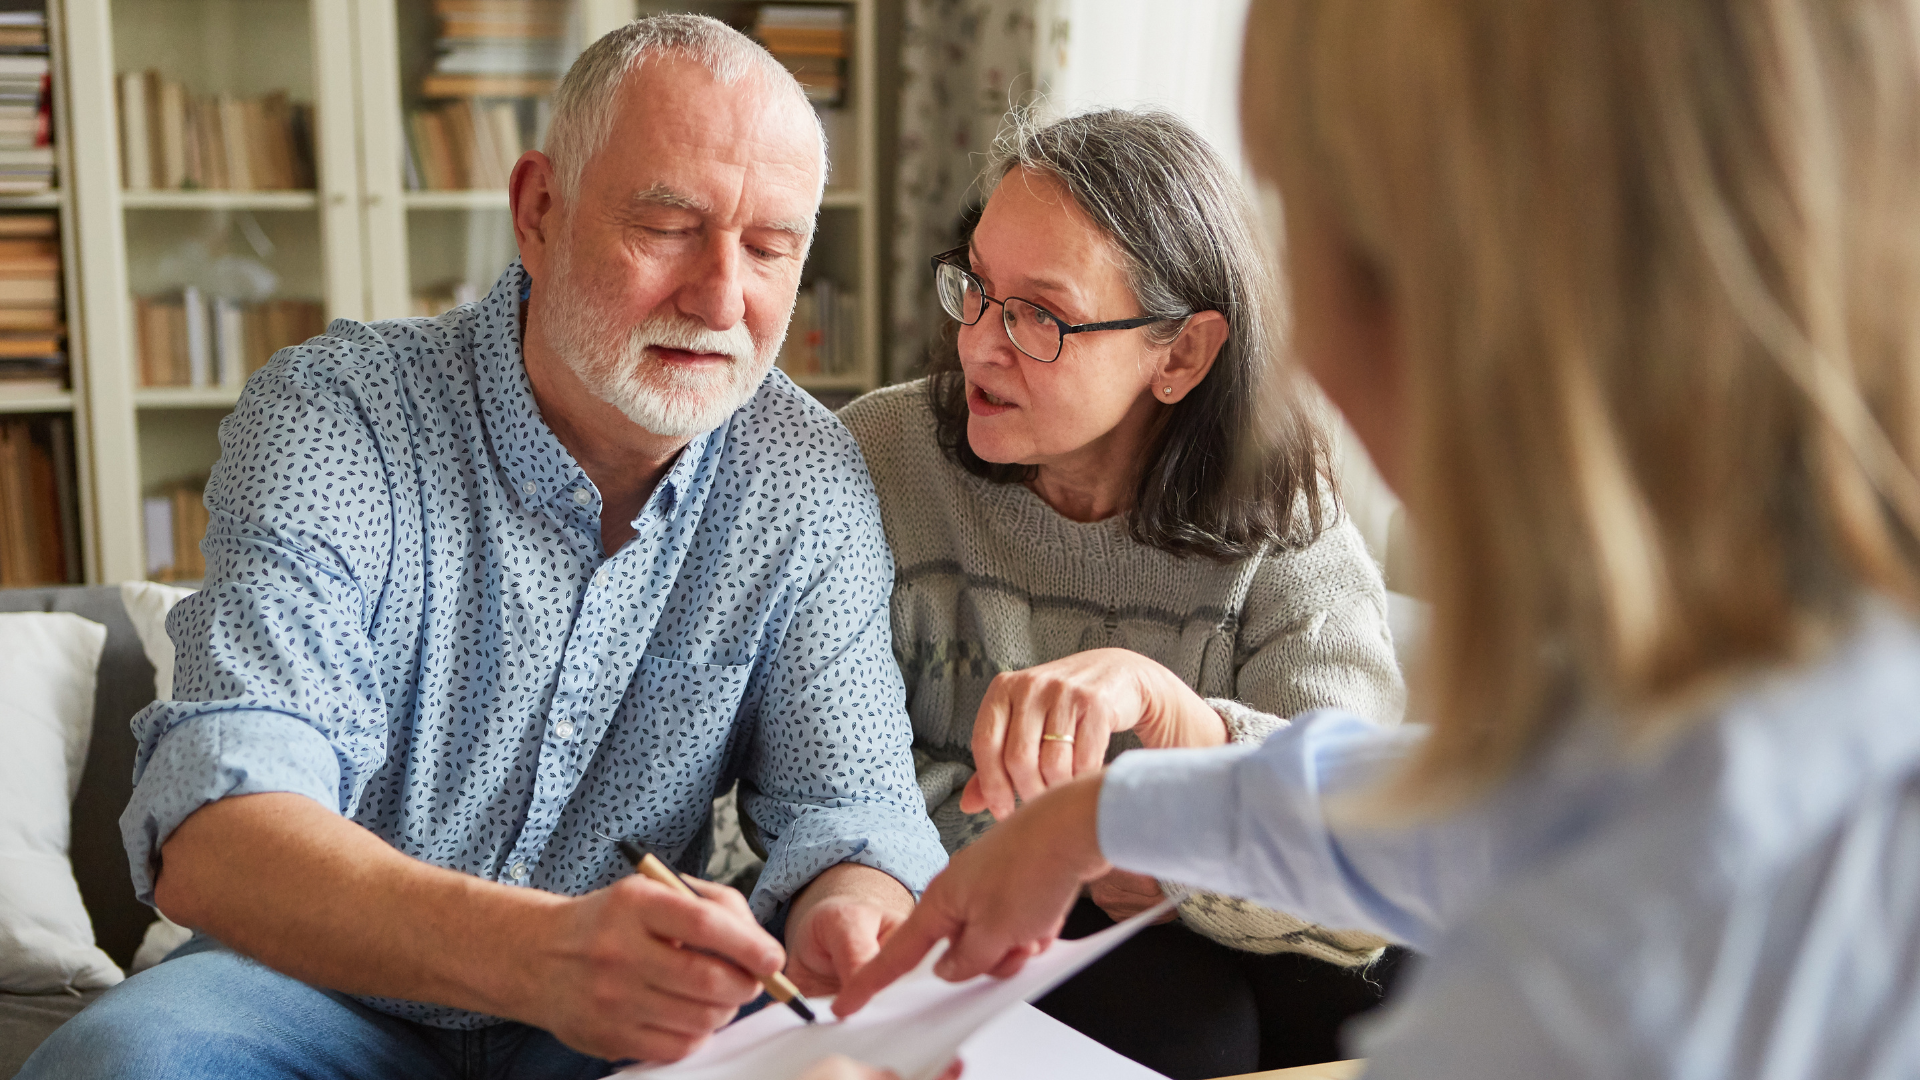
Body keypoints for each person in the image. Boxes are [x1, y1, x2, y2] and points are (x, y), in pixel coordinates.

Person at [835, 1, 1920, 1077]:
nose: (1306, 338)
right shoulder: (1775, 692)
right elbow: (1478, 807)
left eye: (1324, 236)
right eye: (976, 288)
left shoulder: (1612, 964)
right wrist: (1110, 815)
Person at [20, 15, 947, 1079]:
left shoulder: (806, 477)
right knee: (111, 1068)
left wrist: (852, 914)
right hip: (301, 988)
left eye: (772, 248)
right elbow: (216, 829)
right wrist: (537, 955)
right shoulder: (339, 416)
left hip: (616, 1023)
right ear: (538, 210)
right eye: (667, 226)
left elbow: (854, 811)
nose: (721, 297)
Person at [836, 108, 1406, 1077]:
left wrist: (1180, 795)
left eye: (1039, 317)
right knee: (1189, 1024)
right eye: (975, 288)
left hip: (1218, 918)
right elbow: (831, 777)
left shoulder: (1282, 504)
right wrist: (1081, 841)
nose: (979, 343)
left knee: (1391, 997)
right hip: (975, 904)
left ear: (1179, 356)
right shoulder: (875, 461)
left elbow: (1365, 833)